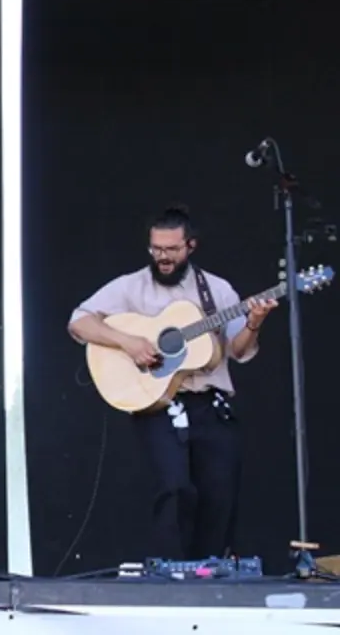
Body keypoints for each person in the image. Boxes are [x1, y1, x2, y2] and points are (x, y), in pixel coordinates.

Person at [68, 205, 277, 560]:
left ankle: (209, 576)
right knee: (175, 489)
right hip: (162, 404)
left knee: (219, 494)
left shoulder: (217, 290)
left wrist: (255, 322)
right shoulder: (132, 286)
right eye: (157, 249)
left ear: (190, 247)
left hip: (211, 405)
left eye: (172, 250)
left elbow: (239, 351)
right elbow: (79, 322)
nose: (163, 258)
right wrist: (129, 342)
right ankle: (171, 577)